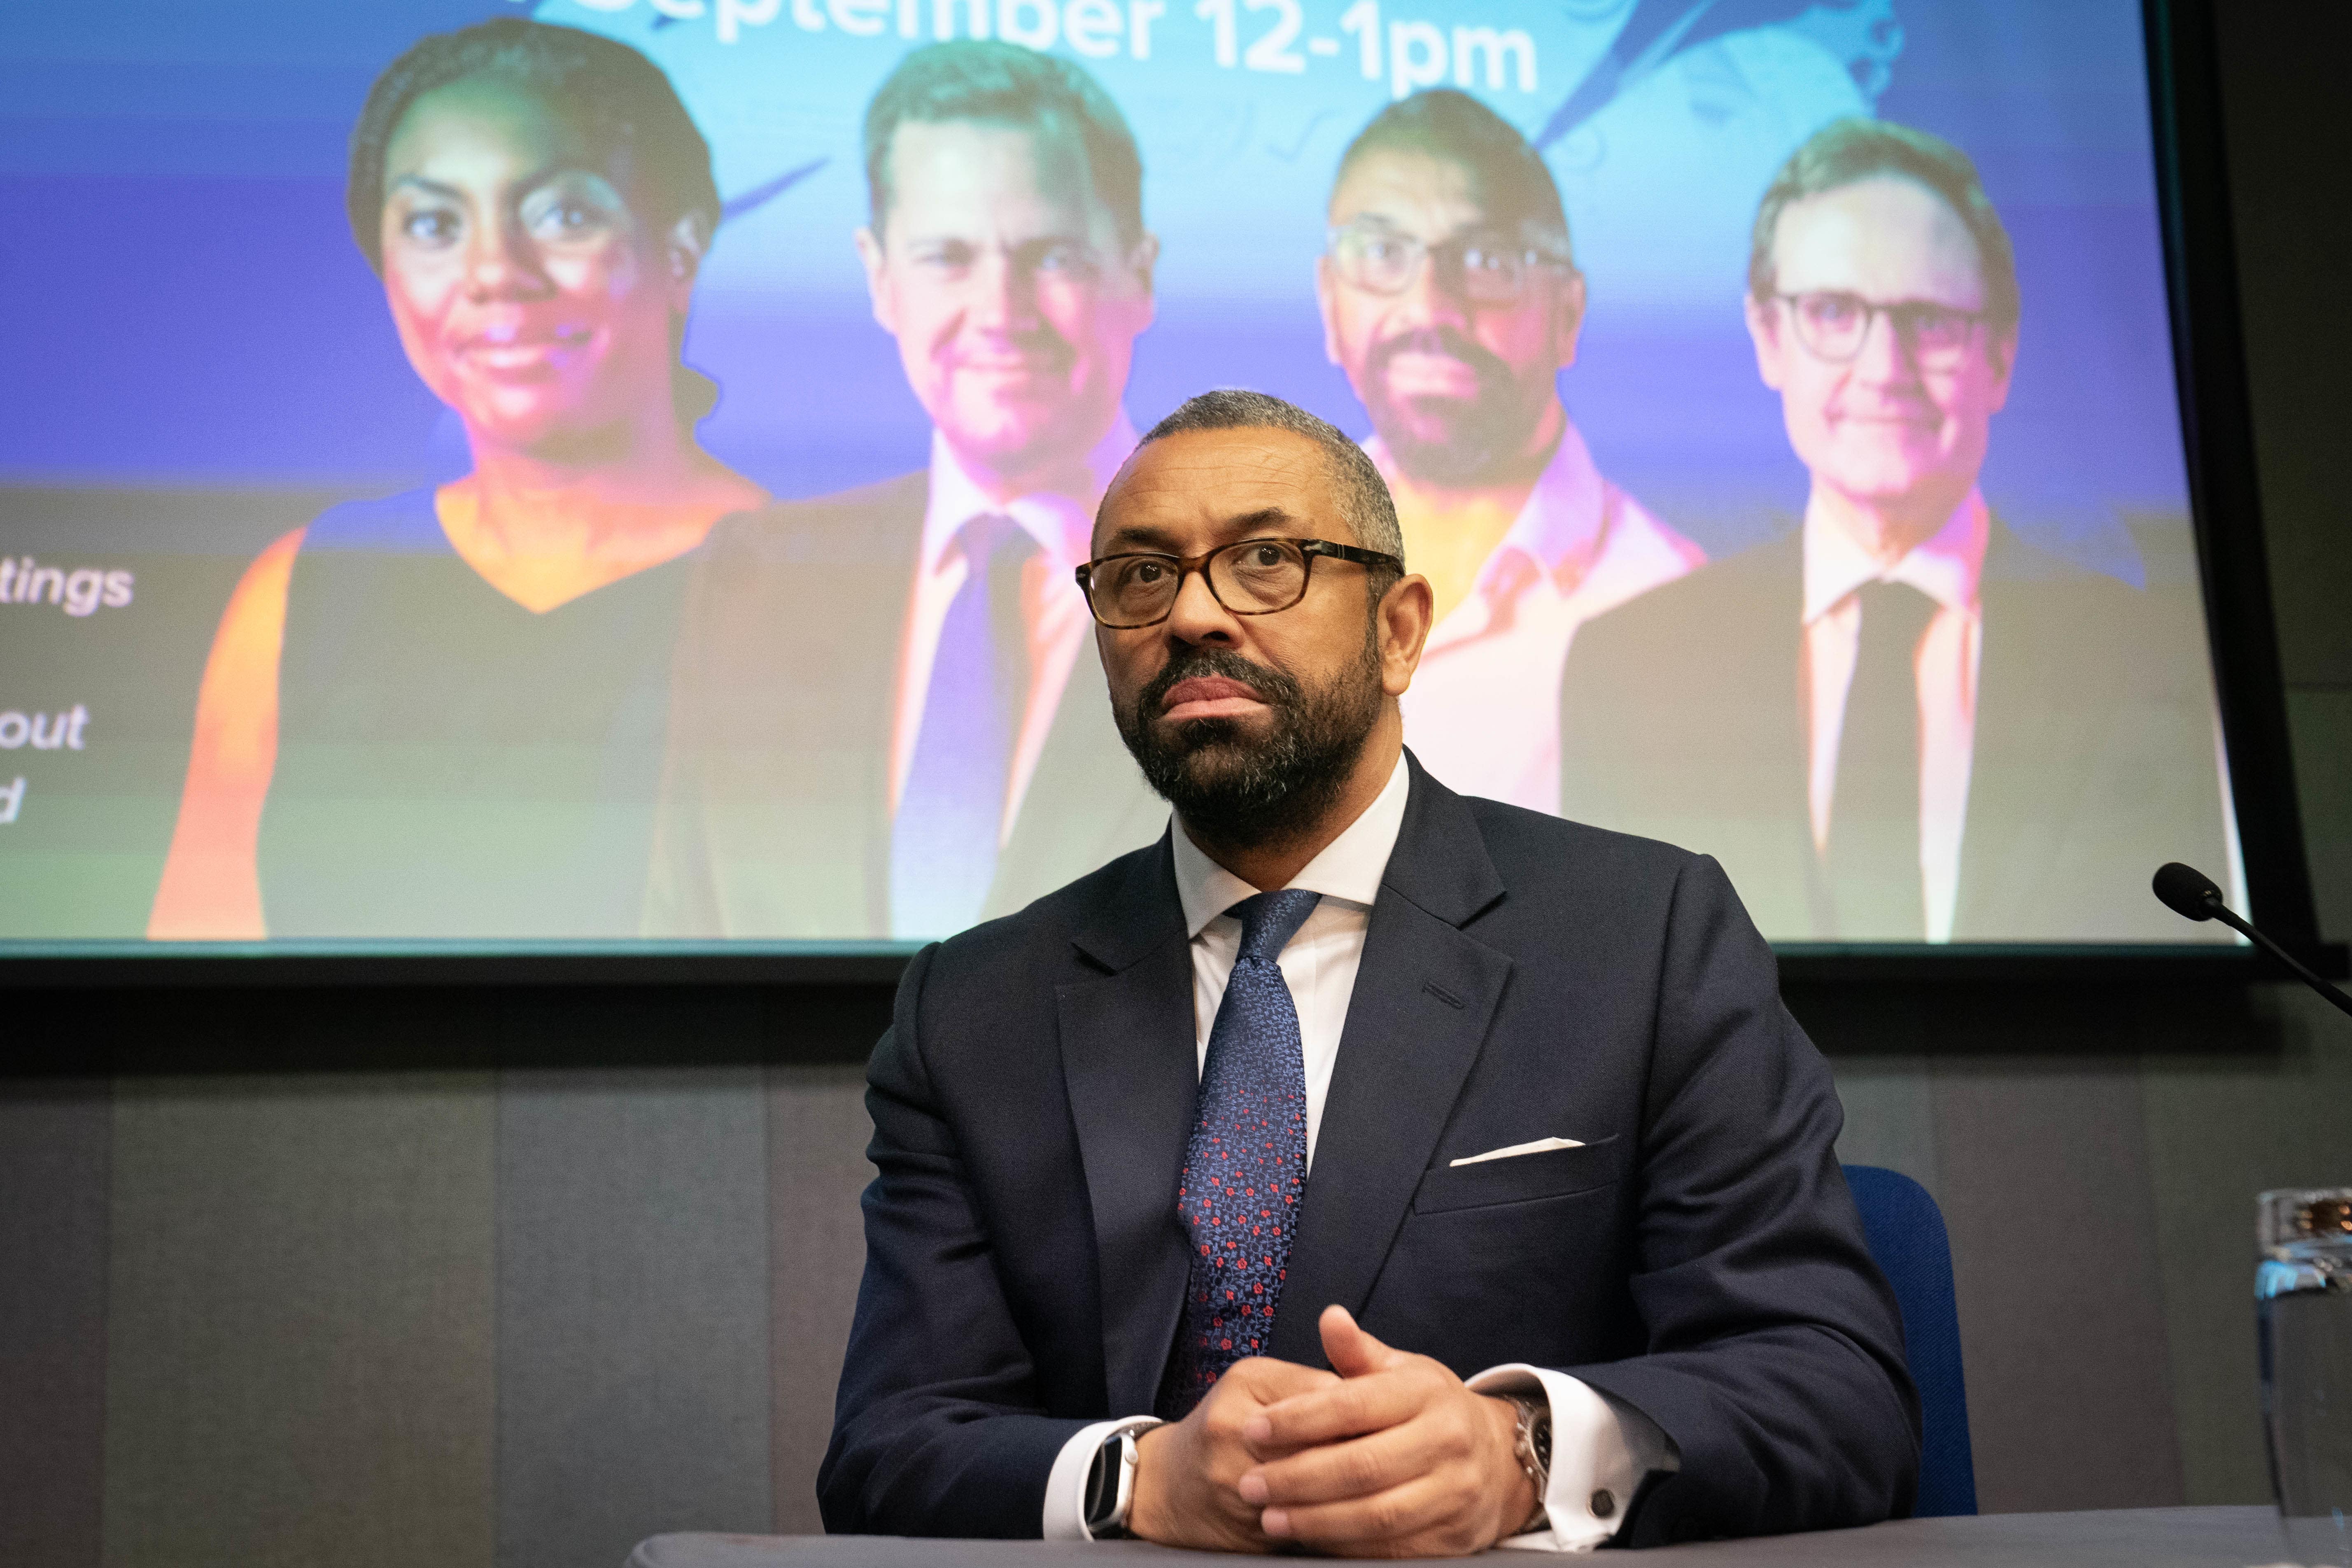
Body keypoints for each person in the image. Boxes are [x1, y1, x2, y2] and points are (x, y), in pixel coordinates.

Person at [821, 389, 1918, 1552]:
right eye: (1141, 575)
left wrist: (1519, 1451)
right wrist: (1137, 1479)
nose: (1192, 613)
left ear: (1399, 630)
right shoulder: (975, 1009)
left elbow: (1832, 1390)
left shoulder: (1642, 939)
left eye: (1265, 561)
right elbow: (892, 1449)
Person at [147, 19, 765, 939]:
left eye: (562, 214)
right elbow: (195, 968)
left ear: (678, 250)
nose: (493, 275)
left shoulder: (812, 581)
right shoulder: (304, 585)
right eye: (435, 224)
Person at [1558, 119, 2231, 941]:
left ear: (2001, 355)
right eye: (1834, 312)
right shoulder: (1629, 662)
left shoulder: (2144, 661)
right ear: (1769, 338)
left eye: (1931, 321)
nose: (1883, 369)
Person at [644, 42, 1164, 940]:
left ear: (1138, 273)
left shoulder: (1255, 595)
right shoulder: (754, 578)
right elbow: (678, 942)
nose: (1000, 310)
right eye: (946, 257)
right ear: (880, 279)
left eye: (1052, 256)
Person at [1317, 90, 1703, 813]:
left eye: (1488, 260)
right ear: (1329, 302)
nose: (1429, 305)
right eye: (1380, 253)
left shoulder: (1668, 604)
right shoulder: (1264, 579)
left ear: (1567, 314)